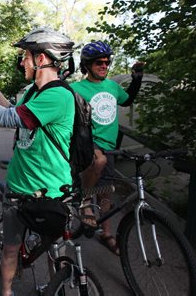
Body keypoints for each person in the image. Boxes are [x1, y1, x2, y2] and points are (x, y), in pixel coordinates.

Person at [0, 27, 75, 296]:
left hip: (50, 190)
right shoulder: (33, 91)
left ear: (41, 59)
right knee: (11, 247)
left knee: (53, 249)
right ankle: (7, 292)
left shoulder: (59, 96)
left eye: (25, 57)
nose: (21, 62)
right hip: (19, 187)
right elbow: (14, 111)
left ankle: (56, 288)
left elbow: (8, 119)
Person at [70, 41, 144, 256]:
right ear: (87, 65)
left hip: (109, 145)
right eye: (99, 63)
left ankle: (106, 233)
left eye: (107, 62)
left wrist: (137, 77)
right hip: (86, 144)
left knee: (106, 194)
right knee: (98, 162)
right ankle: (84, 201)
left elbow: (127, 100)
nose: (104, 66)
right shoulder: (76, 89)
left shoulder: (112, 86)